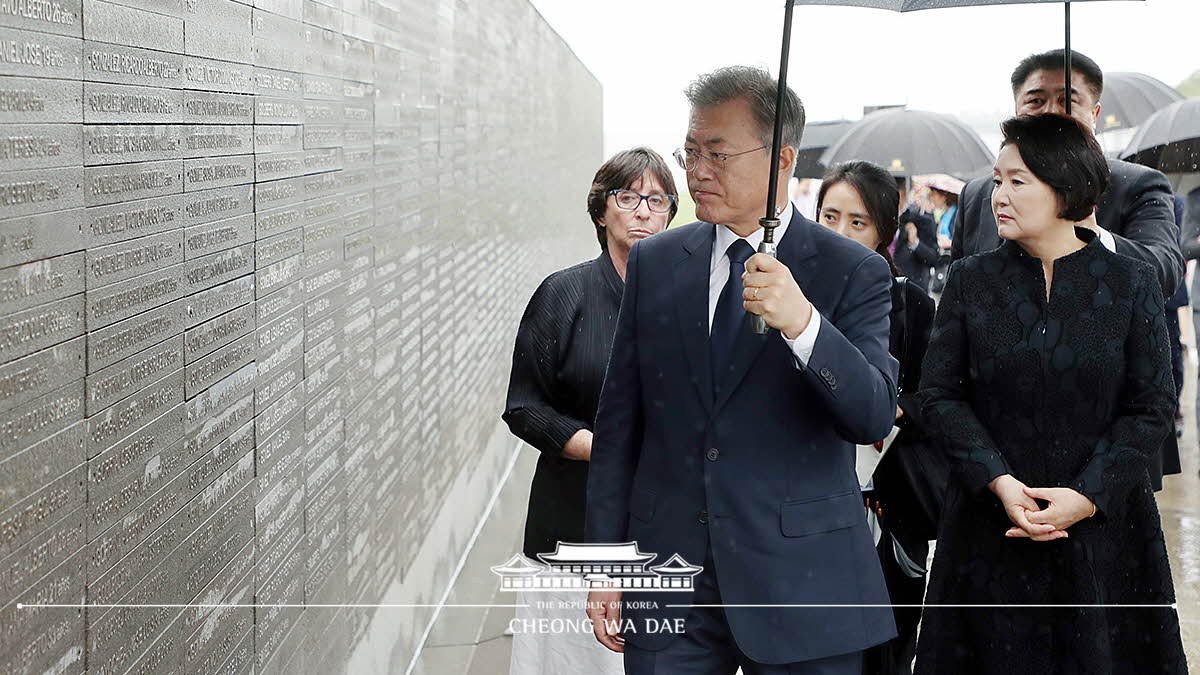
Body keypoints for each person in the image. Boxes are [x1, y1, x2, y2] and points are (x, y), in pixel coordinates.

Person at [585, 66, 898, 675]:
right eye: (691, 151)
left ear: (781, 158)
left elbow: (871, 413)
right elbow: (619, 423)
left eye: (718, 153)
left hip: (801, 583)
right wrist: (607, 563)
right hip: (669, 577)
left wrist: (803, 324)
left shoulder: (850, 270)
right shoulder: (657, 262)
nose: (697, 170)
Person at [917, 114, 1187, 675]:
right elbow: (940, 395)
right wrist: (999, 480)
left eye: (1018, 181)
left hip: (1105, 531)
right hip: (989, 527)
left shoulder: (1129, 281)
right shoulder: (970, 280)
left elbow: (1153, 405)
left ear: (1064, 184)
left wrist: (1085, 495)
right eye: (996, 180)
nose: (999, 196)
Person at [950, 48, 1183, 488]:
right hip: (1000, 451)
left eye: (1067, 100)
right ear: (1017, 108)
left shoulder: (1137, 184)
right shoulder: (981, 195)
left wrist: (1095, 236)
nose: (1051, 112)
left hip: (1109, 446)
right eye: (1036, 100)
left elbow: (1166, 269)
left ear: (1094, 112)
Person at [502, 147, 678, 675]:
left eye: (658, 199)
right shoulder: (563, 294)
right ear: (602, 211)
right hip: (572, 518)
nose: (644, 210)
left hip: (664, 524)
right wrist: (599, 447)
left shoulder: (687, 301)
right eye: (629, 197)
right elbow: (524, 406)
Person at [816, 162, 937, 675]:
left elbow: (939, 397)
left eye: (857, 222)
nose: (839, 233)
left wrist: (892, 412)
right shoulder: (787, 296)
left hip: (889, 515)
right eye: (829, 216)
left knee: (885, 654)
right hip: (807, 519)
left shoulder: (911, 305)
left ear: (886, 232)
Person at [893, 179, 940, 291]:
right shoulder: (887, 219)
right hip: (893, 285)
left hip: (914, 286)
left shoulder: (924, 221)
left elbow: (933, 258)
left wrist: (915, 242)